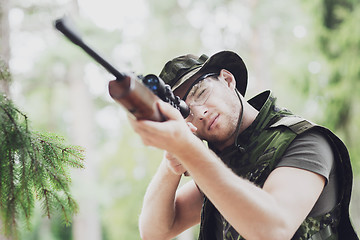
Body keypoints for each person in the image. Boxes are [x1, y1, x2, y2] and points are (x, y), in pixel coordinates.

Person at [129, 51, 358, 240]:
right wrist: (173, 159)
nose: (199, 113)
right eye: (185, 111)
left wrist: (190, 151)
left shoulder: (304, 141)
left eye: (201, 92)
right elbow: (155, 231)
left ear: (228, 80)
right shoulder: (219, 163)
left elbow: (272, 231)